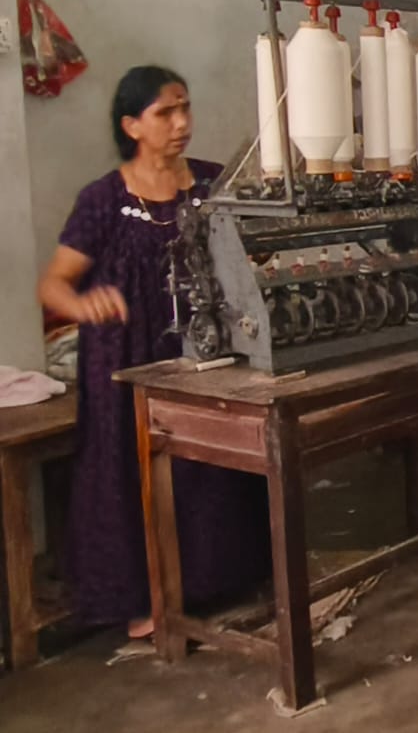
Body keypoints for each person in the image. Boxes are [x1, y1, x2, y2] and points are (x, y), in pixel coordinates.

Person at [37, 66, 270, 638]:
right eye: (165, 112)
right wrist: (83, 304)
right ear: (131, 125)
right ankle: (144, 600)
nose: (181, 122)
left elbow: (250, 254)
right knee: (132, 470)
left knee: (209, 462)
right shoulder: (103, 201)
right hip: (127, 360)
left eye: (184, 108)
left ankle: (216, 584)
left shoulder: (213, 185)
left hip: (202, 349)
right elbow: (53, 286)